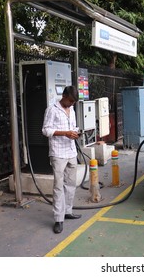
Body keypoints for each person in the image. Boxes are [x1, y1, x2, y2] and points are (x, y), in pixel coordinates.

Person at [42, 85, 82, 234]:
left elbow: (73, 127)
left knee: (71, 183)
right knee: (58, 186)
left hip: (71, 151)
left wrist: (76, 132)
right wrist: (64, 133)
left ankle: (67, 211)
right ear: (64, 96)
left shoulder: (71, 110)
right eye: (70, 101)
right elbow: (46, 130)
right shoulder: (51, 109)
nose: (71, 104)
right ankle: (58, 219)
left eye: (73, 102)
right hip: (58, 153)